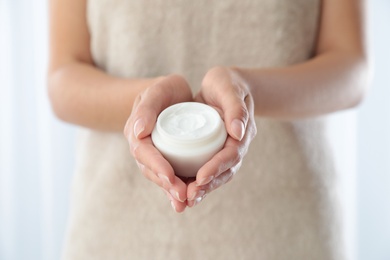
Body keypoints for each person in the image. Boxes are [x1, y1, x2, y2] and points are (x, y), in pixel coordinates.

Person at [48, 0, 369, 259]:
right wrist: (146, 104)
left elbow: (350, 68)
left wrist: (247, 90)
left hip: (285, 229)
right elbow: (63, 79)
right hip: (117, 231)